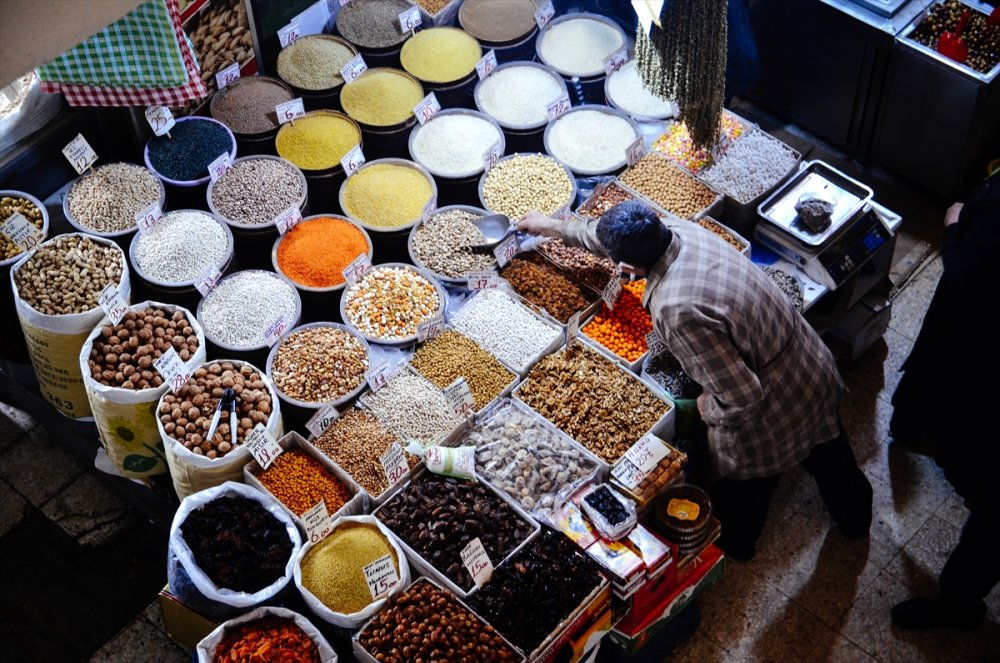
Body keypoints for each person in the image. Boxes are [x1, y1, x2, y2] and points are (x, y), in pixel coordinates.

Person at [519, 201, 873, 561]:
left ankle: (736, 546)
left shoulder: (675, 307)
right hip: (807, 362)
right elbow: (602, 234)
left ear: (624, 268)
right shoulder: (676, 230)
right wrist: (550, 226)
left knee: (749, 489)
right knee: (831, 451)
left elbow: (743, 396)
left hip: (774, 405)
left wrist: (706, 408)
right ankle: (857, 520)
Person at [890, 170, 1000, 631]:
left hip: (971, 336)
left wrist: (954, 227)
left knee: (989, 532)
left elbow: (962, 276)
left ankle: (956, 604)